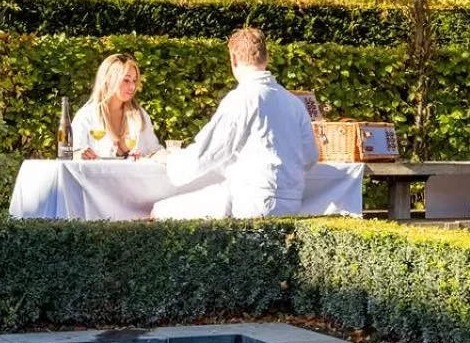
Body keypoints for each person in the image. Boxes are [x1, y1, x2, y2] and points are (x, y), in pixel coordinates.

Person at [152, 27, 319, 219]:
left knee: (159, 211)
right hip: (291, 202)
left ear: (233, 59)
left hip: (252, 201)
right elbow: (310, 156)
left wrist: (171, 160)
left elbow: (209, 152)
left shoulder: (242, 98)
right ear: (266, 58)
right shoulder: (294, 103)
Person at [72, 53, 161, 159]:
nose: (132, 86)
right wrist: (79, 154)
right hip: (97, 175)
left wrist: (169, 156)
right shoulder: (87, 115)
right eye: (126, 80)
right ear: (108, 80)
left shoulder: (140, 115)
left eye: (134, 80)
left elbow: (154, 150)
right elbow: (73, 153)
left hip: (134, 176)